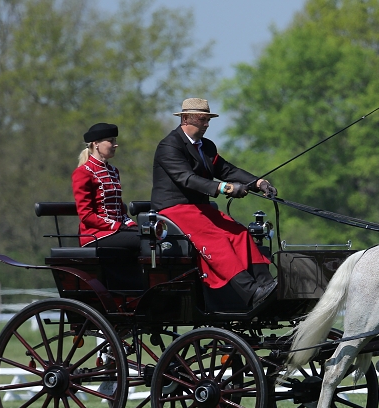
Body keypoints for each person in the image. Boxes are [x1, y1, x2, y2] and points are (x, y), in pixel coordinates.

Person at [151, 98, 277, 309]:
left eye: (208, 120)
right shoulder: (169, 145)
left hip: (200, 209)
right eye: (202, 119)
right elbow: (186, 178)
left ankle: (267, 285)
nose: (207, 124)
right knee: (217, 239)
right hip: (174, 208)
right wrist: (224, 188)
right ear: (185, 118)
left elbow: (227, 170)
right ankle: (251, 292)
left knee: (239, 233)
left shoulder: (206, 146)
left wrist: (258, 182)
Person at [72, 123, 140, 249]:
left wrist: (131, 224)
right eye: (110, 141)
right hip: (94, 235)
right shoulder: (83, 172)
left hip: (116, 231)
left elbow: (119, 209)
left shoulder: (114, 171)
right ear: (96, 143)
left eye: (115, 140)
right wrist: (117, 226)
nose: (115, 144)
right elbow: (86, 215)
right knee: (145, 242)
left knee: (151, 237)